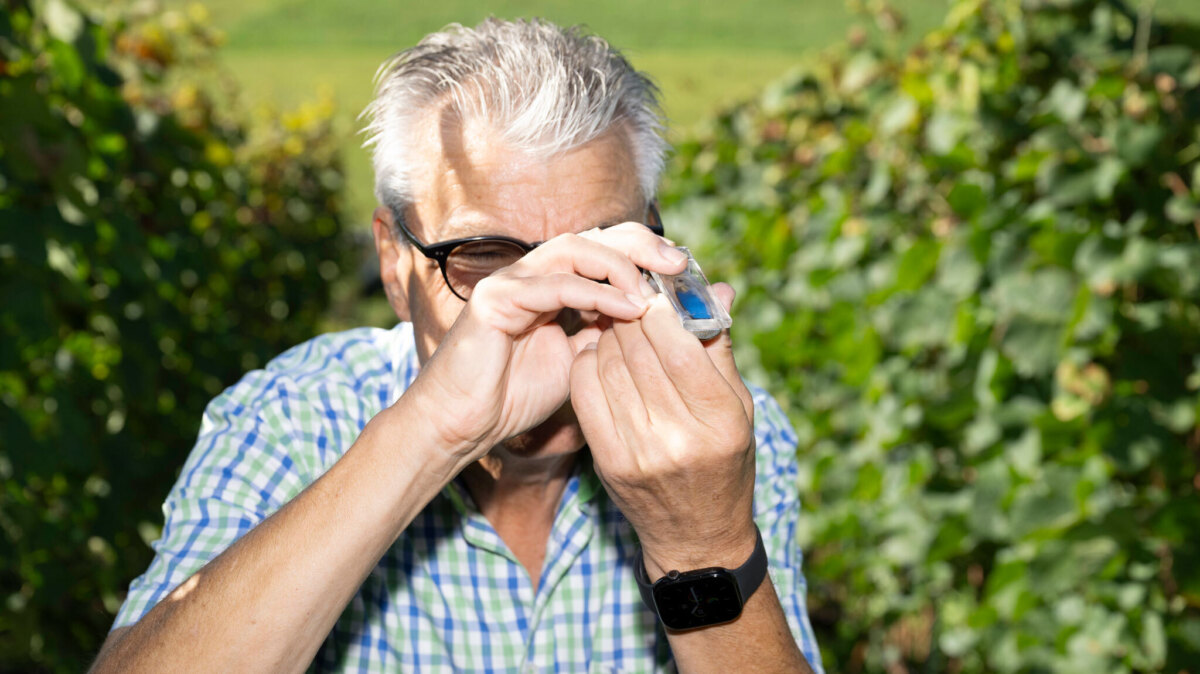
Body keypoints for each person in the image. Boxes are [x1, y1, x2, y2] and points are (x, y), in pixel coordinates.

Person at [91, 18, 823, 673]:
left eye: (597, 251)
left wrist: (699, 541)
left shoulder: (713, 437)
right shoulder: (290, 418)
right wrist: (433, 431)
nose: (555, 300)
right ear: (394, 262)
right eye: (483, 257)